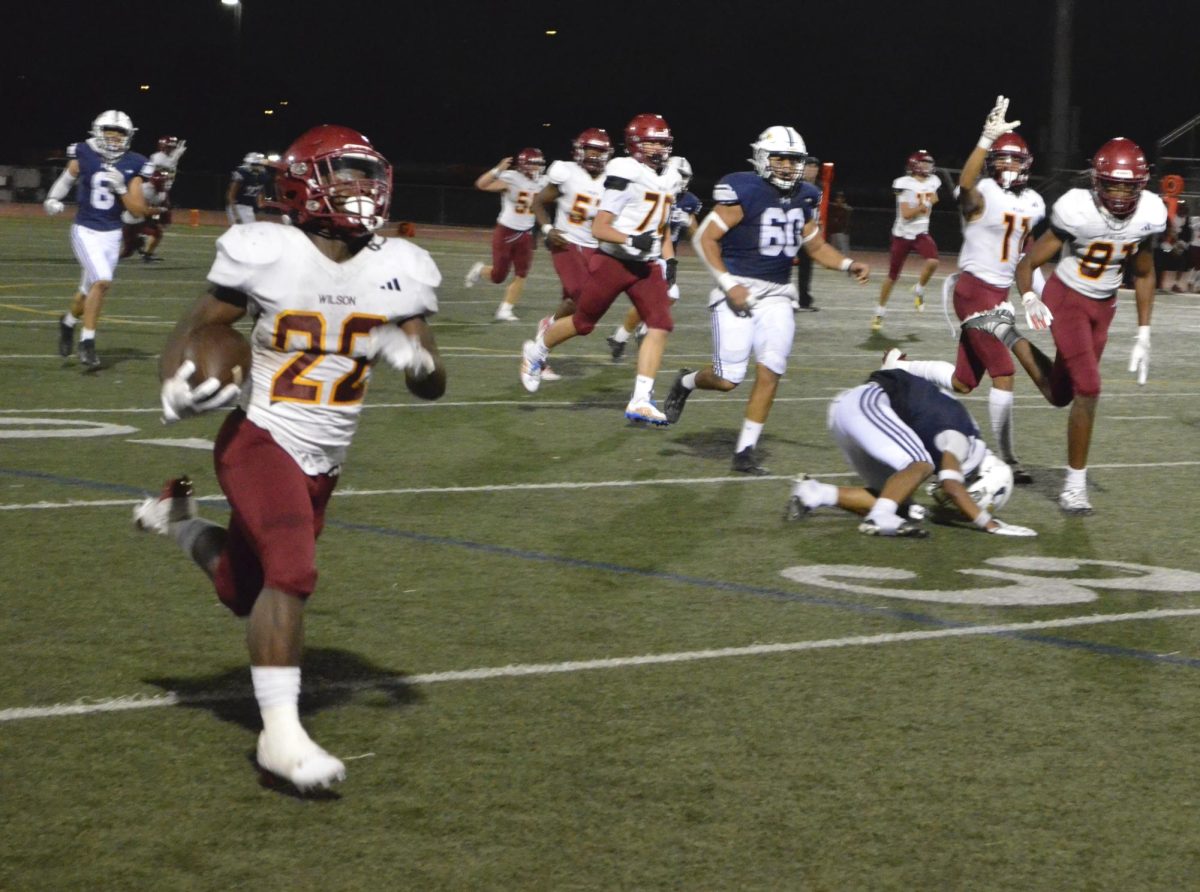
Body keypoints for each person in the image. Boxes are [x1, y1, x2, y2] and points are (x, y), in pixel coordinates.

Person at [132, 124, 447, 792]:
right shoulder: (267, 250)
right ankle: (280, 738)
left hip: (324, 461)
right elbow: (199, 328)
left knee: (245, 590)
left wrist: (413, 358)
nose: (362, 187)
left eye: (368, 173)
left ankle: (177, 519)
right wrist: (176, 380)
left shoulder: (400, 263)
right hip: (260, 438)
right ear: (305, 182)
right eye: (344, 173)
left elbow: (433, 380)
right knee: (293, 570)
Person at [966, 137, 1166, 515]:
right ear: (1097, 182)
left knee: (1062, 395)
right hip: (1067, 298)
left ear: (1142, 184)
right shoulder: (1077, 209)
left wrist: (1144, 332)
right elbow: (1027, 262)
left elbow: (1143, 272)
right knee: (1089, 388)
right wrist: (1029, 296)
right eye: (1113, 184)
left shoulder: (1150, 213)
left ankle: (1004, 332)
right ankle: (1074, 488)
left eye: (1128, 185)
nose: (1121, 193)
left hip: (1104, 308)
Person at [663, 125, 869, 473]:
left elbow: (815, 246)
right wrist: (729, 284)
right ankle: (684, 382)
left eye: (794, 160)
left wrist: (848, 264)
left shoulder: (806, 194)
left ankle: (745, 451)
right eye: (780, 158)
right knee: (728, 379)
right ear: (762, 158)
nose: (788, 167)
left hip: (778, 296)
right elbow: (704, 240)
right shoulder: (743, 189)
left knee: (771, 368)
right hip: (737, 288)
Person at [881, 97, 1046, 484]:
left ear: (1026, 166)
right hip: (973, 292)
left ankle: (898, 366)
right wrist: (987, 138)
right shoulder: (982, 191)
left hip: (998, 295)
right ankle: (1008, 458)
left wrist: (1037, 293)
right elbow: (966, 185)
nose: (1007, 167)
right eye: (1000, 159)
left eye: (1014, 160)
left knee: (963, 382)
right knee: (1004, 373)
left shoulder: (1034, 202)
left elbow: (1027, 256)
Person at [519, 113, 680, 425]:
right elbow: (601, 228)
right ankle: (536, 351)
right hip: (613, 261)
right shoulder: (626, 170)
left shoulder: (671, 176)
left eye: (662, 144)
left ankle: (640, 399)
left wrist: (670, 262)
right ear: (635, 144)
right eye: (651, 144)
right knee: (583, 323)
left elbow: (663, 228)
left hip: (645, 265)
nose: (658, 150)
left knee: (661, 323)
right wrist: (633, 238)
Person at [784, 367, 1036, 537]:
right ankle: (880, 518)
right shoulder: (963, 441)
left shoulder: (963, 434)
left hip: (854, 410)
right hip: (867, 403)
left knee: (900, 502)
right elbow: (951, 483)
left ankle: (814, 493)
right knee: (920, 463)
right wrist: (988, 523)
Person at [42, 109, 157, 369]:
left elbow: (137, 211)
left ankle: (68, 322)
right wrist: (52, 198)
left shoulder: (136, 162)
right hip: (86, 230)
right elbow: (67, 178)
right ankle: (88, 343)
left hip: (113, 233)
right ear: (98, 131)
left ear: (128, 136)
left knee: (87, 290)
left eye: (120, 134)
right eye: (110, 132)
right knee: (102, 281)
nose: (115, 138)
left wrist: (120, 188)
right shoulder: (84, 152)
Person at [529, 129, 613, 382]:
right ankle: (543, 340)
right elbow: (537, 202)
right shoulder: (566, 172)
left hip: (594, 246)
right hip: (565, 241)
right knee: (582, 295)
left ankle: (546, 333)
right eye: (590, 149)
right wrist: (547, 229)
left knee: (572, 303)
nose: (594, 155)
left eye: (599, 150)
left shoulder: (613, 178)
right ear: (579, 150)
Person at [607, 154, 702, 358]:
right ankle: (635, 332)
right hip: (649, 253)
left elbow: (696, 232)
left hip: (667, 256)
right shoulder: (655, 189)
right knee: (669, 295)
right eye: (681, 175)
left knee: (664, 297)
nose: (683, 180)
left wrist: (689, 225)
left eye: (687, 176)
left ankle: (621, 337)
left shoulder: (689, 201)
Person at [465, 148, 547, 321]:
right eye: (534, 165)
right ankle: (480, 270)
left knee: (521, 273)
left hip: (526, 233)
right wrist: (498, 169)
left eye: (539, 165)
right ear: (524, 166)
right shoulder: (511, 178)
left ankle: (505, 309)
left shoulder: (543, 181)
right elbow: (481, 184)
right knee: (498, 276)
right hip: (506, 232)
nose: (538, 169)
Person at [873, 150, 941, 331]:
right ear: (914, 165)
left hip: (921, 233)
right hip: (902, 234)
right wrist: (927, 203)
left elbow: (935, 196)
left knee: (933, 262)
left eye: (929, 163)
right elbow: (906, 214)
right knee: (892, 275)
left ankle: (919, 289)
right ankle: (879, 312)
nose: (928, 166)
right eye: (924, 163)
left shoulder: (933, 181)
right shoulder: (903, 184)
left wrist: (929, 200)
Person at [793, 156, 823, 311]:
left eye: (815, 167)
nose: (812, 170)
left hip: (809, 232)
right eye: (809, 167)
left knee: (806, 266)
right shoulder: (795, 185)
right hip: (793, 229)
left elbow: (817, 211)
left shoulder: (818, 188)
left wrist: (819, 225)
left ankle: (804, 300)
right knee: (782, 263)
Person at [226, 152, 271, 225]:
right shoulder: (242, 174)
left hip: (249, 208)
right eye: (255, 164)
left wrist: (261, 205)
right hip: (237, 206)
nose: (258, 167)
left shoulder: (262, 177)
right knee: (242, 232)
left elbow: (260, 192)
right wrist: (235, 215)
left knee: (249, 232)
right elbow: (230, 195)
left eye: (259, 164)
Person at [826, 191, 852, 255]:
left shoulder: (847, 209)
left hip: (842, 231)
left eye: (840, 198)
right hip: (834, 231)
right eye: (837, 198)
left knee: (843, 249)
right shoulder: (833, 207)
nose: (838, 200)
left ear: (843, 200)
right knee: (833, 249)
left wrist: (845, 231)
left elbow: (847, 220)